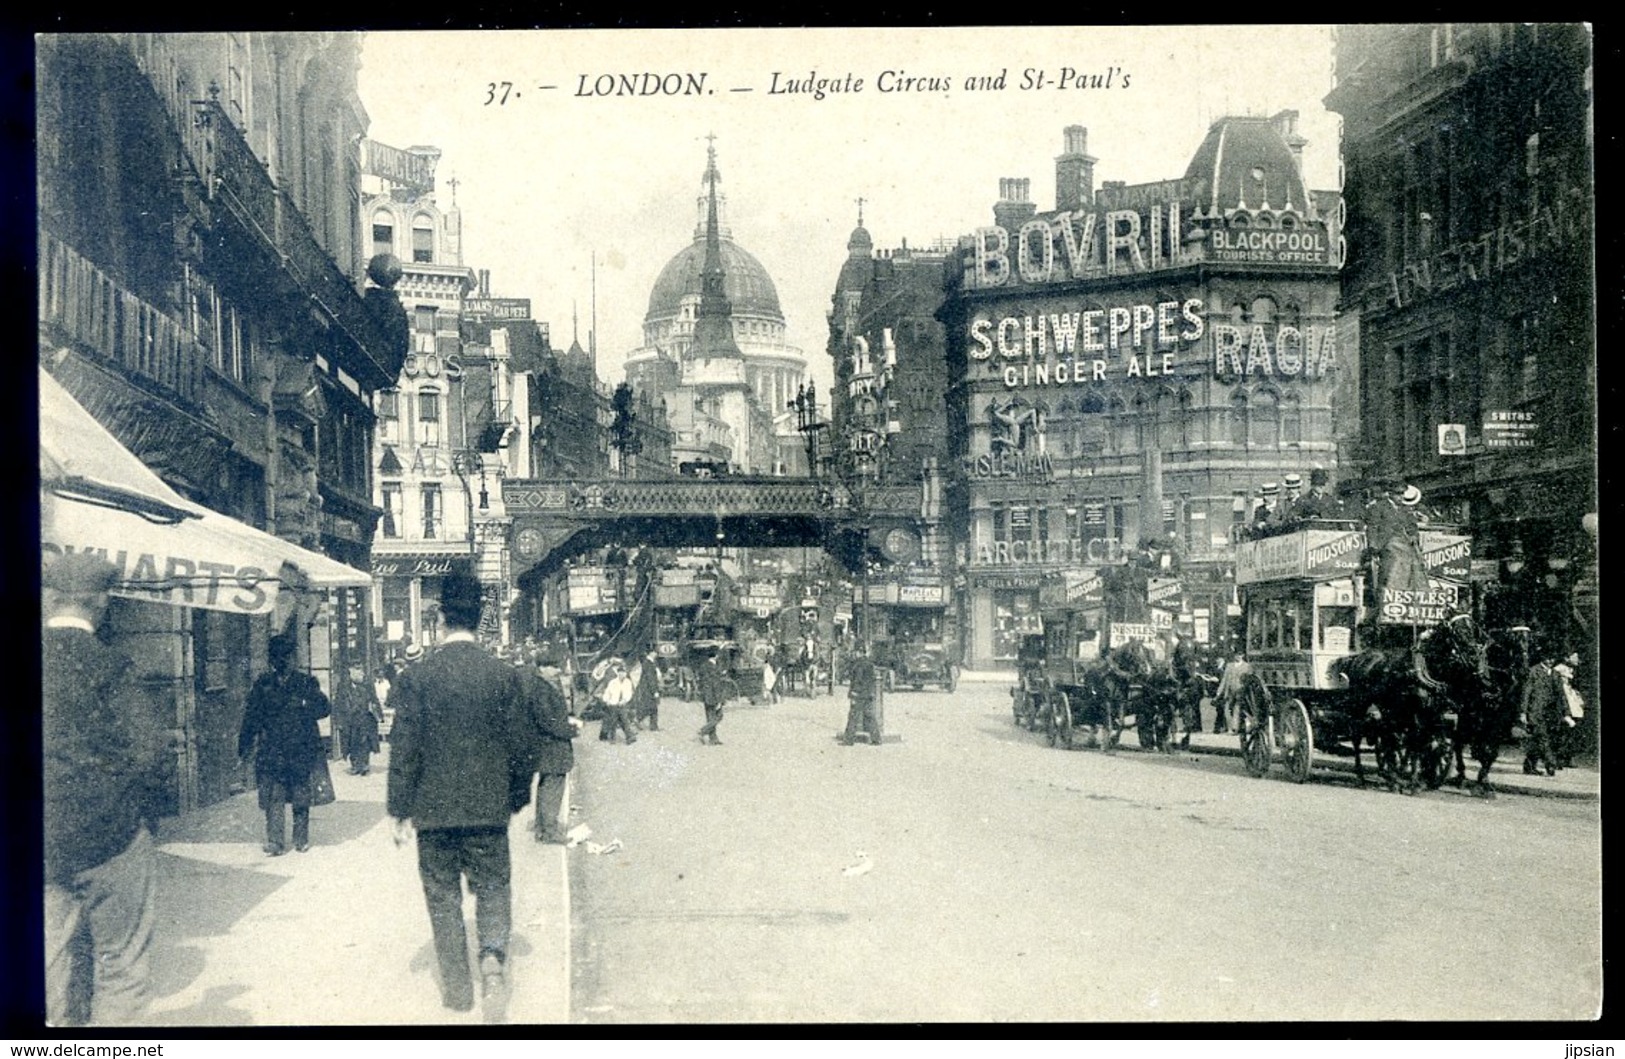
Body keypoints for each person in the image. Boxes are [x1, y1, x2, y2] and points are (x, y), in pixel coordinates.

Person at [386, 571, 535, 1020]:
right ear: (482, 615)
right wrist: (513, 797)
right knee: (492, 886)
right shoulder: (502, 675)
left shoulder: (417, 677)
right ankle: (491, 959)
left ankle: (456, 993)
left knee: (443, 897)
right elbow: (522, 748)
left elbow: (404, 747)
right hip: (488, 811)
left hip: (433, 815)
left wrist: (399, 808)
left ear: (440, 615)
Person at [44, 554, 164, 1027]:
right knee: (122, 961)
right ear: (101, 604)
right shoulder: (111, 666)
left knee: (47, 958)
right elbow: (149, 747)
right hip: (109, 836)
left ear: (49, 599)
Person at [238, 632, 330, 856]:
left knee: (300, 795)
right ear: (273, 660)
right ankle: (275, 841)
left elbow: (324, 709)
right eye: (277, 658)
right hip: (272, 750)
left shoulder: (306, 683)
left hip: (300, 749)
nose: (282, 662)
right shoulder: (263, 684)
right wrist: (244, 746)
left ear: (292, 659)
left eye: (286, 657)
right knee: (273, 796)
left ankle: (300, 839)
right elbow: (251, 716)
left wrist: (305, 706)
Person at [518, 649, 581, 843]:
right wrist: (572, 729)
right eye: (553, 667)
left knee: (546, 785)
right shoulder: (542, 688)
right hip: (552, 746)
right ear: (543, 668)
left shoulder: (541, 684)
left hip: (545, 746)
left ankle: (542, 826)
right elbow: (549, 721)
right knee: (553, 787)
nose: (557, 671)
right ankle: (550, 832)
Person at [1520, 646, 1566, 777]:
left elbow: (1562, 695)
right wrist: (1523, 712)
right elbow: (1526, 693)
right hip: (1535, 712)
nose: (1551, 661)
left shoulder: (1556, 674)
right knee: (1543, 739)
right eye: (1548, 658)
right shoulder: (1533, 671)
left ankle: (1529, 766)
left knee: (1539, 740)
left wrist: (1566, 713)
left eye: (1553, 659)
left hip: (1550, 714)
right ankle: (1550, 765)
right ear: (1543, 658)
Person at [337, 662, 381, 776]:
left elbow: (374, 699)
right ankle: (355, 764)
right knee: (352, 742)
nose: (361, 672)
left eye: (362, 669)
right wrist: (339, 720)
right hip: (350, 719)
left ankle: (365, 764)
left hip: (365, 717)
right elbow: (338, 703)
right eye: (358, 669)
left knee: (365, 741)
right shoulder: (343, 686)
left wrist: (378, 714)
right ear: (350, 671)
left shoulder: (368, 684)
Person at [841, 648, 882, 746]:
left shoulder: (859, 665)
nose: (855, 654)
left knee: (853, 716)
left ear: (859, 652)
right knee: (870, 716)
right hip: (868, 694)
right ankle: (876, 739)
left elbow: (857, 680)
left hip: (859, 694)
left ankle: (849, 739)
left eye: (856, 652)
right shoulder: (869, 664)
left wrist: (854, 692)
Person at [595, 658, 638, 744]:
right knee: (612, 721)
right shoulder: (611, 677)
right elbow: (607, 690)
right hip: (612, 703)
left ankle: (629, 737)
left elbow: (628, 691)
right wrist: (606, 700)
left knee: (624, 720)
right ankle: (609, 737)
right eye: (620, 671)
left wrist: (625, 700)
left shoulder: (627, 680)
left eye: (624, 672)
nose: (622, 674)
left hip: (622, 703)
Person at [1212, 649, 1253, 734]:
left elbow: (1249, 680)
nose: (1238, 656)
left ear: (1243, 656)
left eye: (1240, 654)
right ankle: (1235, 727)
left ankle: (1234, 728)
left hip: (1241, 692)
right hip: (1230, 692)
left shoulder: (1247, 666)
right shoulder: (1229, 666)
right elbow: (1224, 679)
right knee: (1229, 709)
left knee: (1237, 709)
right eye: (1236, 654)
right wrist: (1219, 691)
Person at [695, 648, 728, 745]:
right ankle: (703, 731)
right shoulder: (714, 667)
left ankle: (713, 739)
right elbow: (715, 684)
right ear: (716, 656)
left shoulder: (703, 666)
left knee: (710, 717)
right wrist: (719, 700)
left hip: (706, 695)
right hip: (713, 695)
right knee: (719, 716)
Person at [630, 649, 661, 732]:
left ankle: (652, 726)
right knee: (651, 707)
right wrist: (655, 691)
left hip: (647, 688)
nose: (656, 654)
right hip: (649, 689)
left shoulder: (648, 662)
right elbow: (651, 679)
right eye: (655, 652)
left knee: (651, 707)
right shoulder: (648, 663)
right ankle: (640, 720)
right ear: (651, 653)